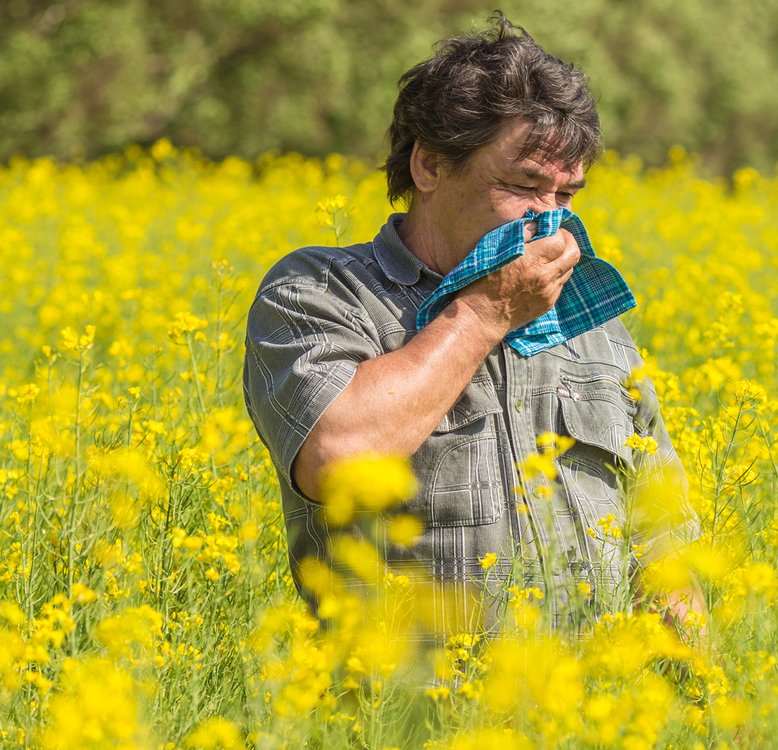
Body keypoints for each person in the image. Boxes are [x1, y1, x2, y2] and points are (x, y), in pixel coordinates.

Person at [241, 15, 703, 645]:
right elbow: (338, 458)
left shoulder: (586, 321)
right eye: (523, 186)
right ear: (430, 166)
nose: (550, 222)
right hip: (404, 720)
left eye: (567, 195)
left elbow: (663, 538)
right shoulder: (322, 292)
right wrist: (486, 313)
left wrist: (708, 703)